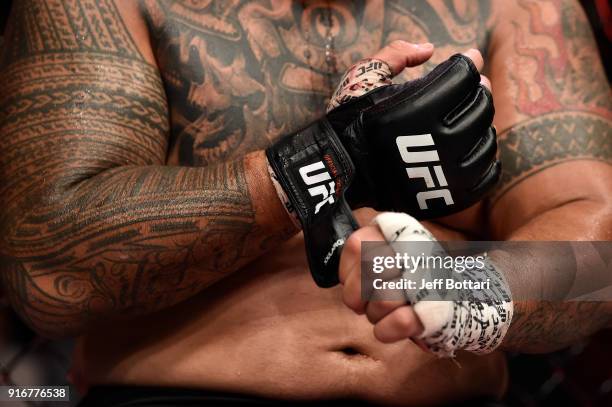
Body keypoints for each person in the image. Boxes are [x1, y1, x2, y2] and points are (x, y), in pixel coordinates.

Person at [0, 1, 610, 405]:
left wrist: (460, 289)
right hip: (185, 393)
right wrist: (325, 160)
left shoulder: (520, 8)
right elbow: (48, 267)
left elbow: (599, 257)